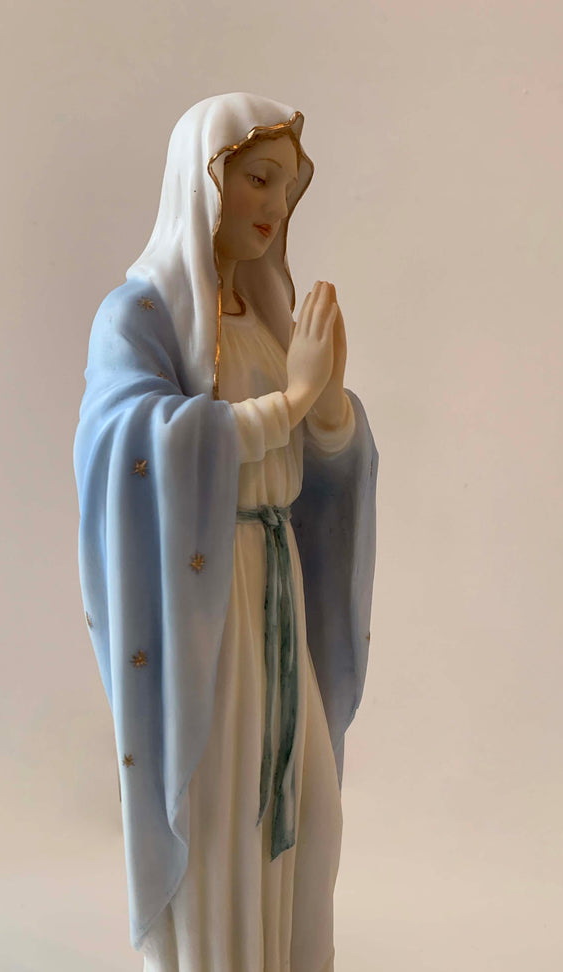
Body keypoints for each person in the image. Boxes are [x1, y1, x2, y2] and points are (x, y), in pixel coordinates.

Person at [73, 92, 378, 972]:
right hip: (205, 601)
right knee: (223, 811)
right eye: (256, 179)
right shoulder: (139, 316)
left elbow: (324, 462)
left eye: (285, 184)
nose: (274, 203)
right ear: (203, 182)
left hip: (274, 575)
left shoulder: (270, 311)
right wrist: (292, 399)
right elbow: (132, 442)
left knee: (308, 810)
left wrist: (327, 405)